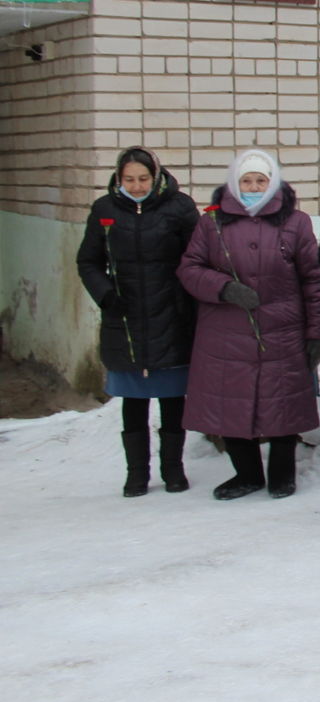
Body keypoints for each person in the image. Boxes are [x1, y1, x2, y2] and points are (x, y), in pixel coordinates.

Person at [179, 148, 320, 501]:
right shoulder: (211, 223)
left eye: (260, 180)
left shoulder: (295, 222)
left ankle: (282, 475)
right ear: (234, 183)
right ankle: (246, 474)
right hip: (226, 333)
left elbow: (314, 280)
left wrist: (318, 331)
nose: (253, 186)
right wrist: (224, 288)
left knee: (281, 404)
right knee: (229, 406)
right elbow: (189, 269)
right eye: (246, 180)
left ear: (273, 183)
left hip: (282, 329)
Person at [76, 147, 199, 496]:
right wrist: (105, 294)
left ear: (156, 175)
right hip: (125, 317)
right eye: (129, 179)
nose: (137, 185)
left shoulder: (179, 207)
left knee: (173, 397)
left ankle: (173, 470)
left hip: (171, 314)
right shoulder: (105, 210)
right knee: (134, 400)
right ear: (118, 178)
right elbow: (88, 261)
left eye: (143, 178)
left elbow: (196, 257)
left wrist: (186, 298)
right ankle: (136, 474)